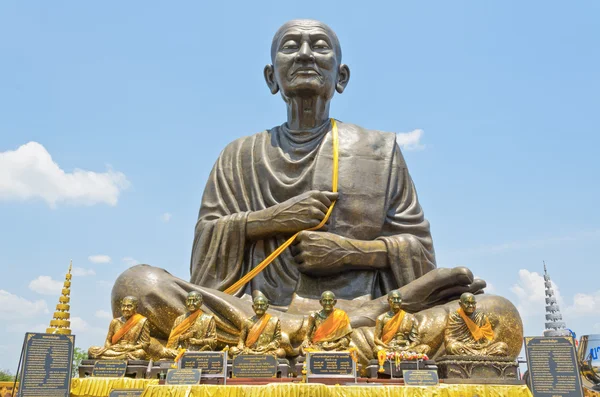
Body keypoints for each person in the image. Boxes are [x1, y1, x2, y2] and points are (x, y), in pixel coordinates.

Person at [111, 19, 496, 359]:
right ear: (271, 77)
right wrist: (267, 220)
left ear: (340, 77)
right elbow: (206, 265)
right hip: (258, 309)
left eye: (320, 46)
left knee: (497, 312)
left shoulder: (378, 150)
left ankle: (311, 332)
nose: (306, 55)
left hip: (359, 302)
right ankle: (334, 331)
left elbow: (417, 251)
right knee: (137, 285)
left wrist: (351, 253)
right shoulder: (239, 154)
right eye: (291, 46)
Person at [88, 296, 150, 360]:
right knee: (91, 350)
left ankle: (114, 358)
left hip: (130, 350)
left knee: (141, 353)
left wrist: (131, 348)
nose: (125, 309)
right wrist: (111, 347)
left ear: (136, 308)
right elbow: (107, 341)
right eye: (123, 306)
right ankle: (121, 358)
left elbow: (145, 344)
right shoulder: (115, 321)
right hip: (115, 350)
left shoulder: (142, 321)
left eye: (129, 306)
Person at [160, 291, 216, 359]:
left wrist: (197, 341)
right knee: (163, 352)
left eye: (194, 300)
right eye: (189, 301)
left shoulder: (208, 319)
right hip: (179, 353)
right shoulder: (179, 319)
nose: (191, 303)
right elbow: (172, 340)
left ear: (201, 303)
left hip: (198, 353)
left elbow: (213, 342)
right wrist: (184, 337)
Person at [373, 290, 430, 355]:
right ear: (388, 300)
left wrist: (409, 347)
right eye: (393, 299)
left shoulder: (409, 317)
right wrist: (387, 346)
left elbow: (415, 339)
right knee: (377, 349)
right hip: (389, 348)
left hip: (407, 349)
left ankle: (404, 355)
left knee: (426, 348)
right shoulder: (381, 318)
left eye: (398, 299)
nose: (396, 301)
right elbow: (376, 339)